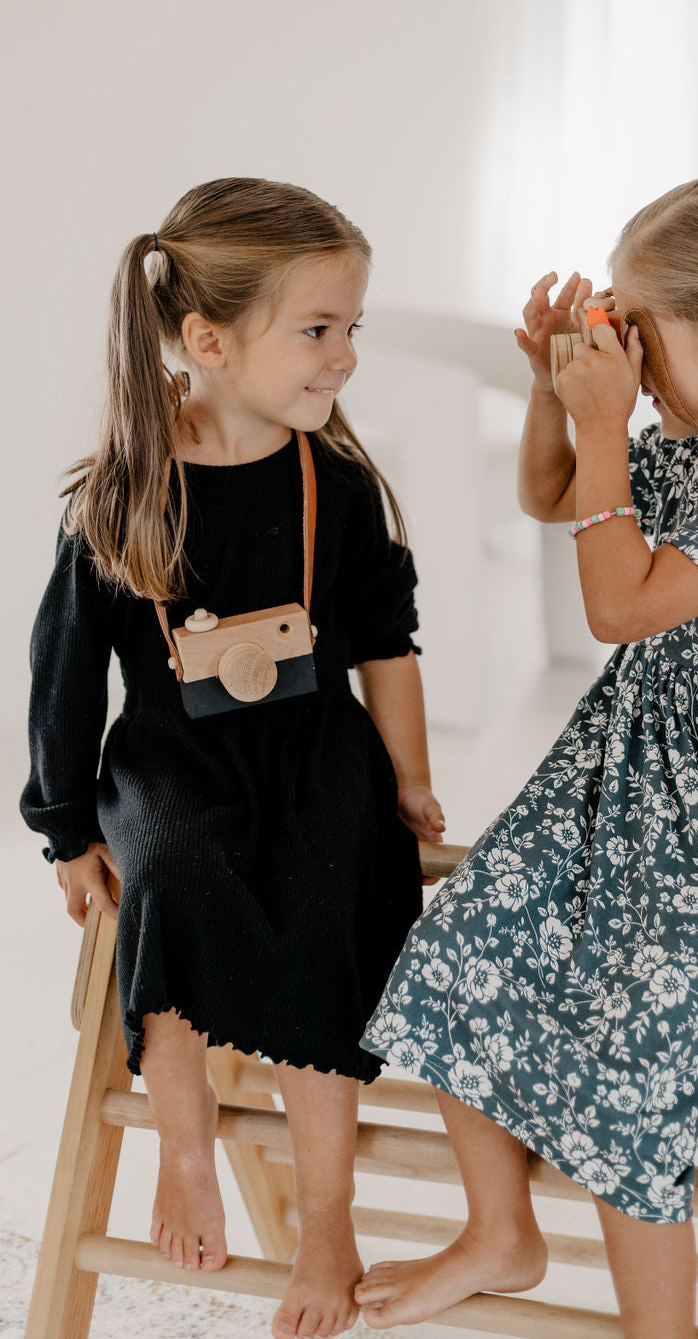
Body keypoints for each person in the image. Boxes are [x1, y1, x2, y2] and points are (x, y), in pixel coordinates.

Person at [355, 170, 698, 1338]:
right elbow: (554, 488)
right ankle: (499, 1232)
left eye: (644, 342)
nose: (637, 372)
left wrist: (612, 422)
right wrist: (548, 391)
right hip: (622, 758)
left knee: (632, 1078)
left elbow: (618, 606)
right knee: (455, 949)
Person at [21, 177, 446, 1339]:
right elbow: (62, 678)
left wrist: (406, 779)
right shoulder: (123, 497)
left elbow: (388, 647)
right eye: (318, 329)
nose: (344, 355)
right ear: (207, 339)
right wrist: (67, 828)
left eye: (351, 327)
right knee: (176, 875)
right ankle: (188, 1144)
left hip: (313, 748)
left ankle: (325, 1213)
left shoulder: (339, 487)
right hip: (173, 759)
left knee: (327, 889)